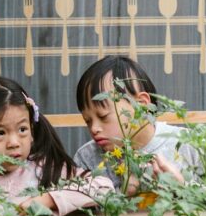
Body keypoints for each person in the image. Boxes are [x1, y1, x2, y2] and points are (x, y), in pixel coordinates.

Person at [0, 77, 113, 216]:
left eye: (22, 130)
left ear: (32, 131)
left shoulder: (44, 170)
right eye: (0, 133)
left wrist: (47, 200)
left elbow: (104, 187)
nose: (14, 142)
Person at [73, 56, 198, 193]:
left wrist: (181, 188)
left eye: (103, 116)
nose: (94, 128)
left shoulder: (187, 144)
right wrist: (126, 192)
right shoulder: (87, 158)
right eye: (87, 120)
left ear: (141, 105)